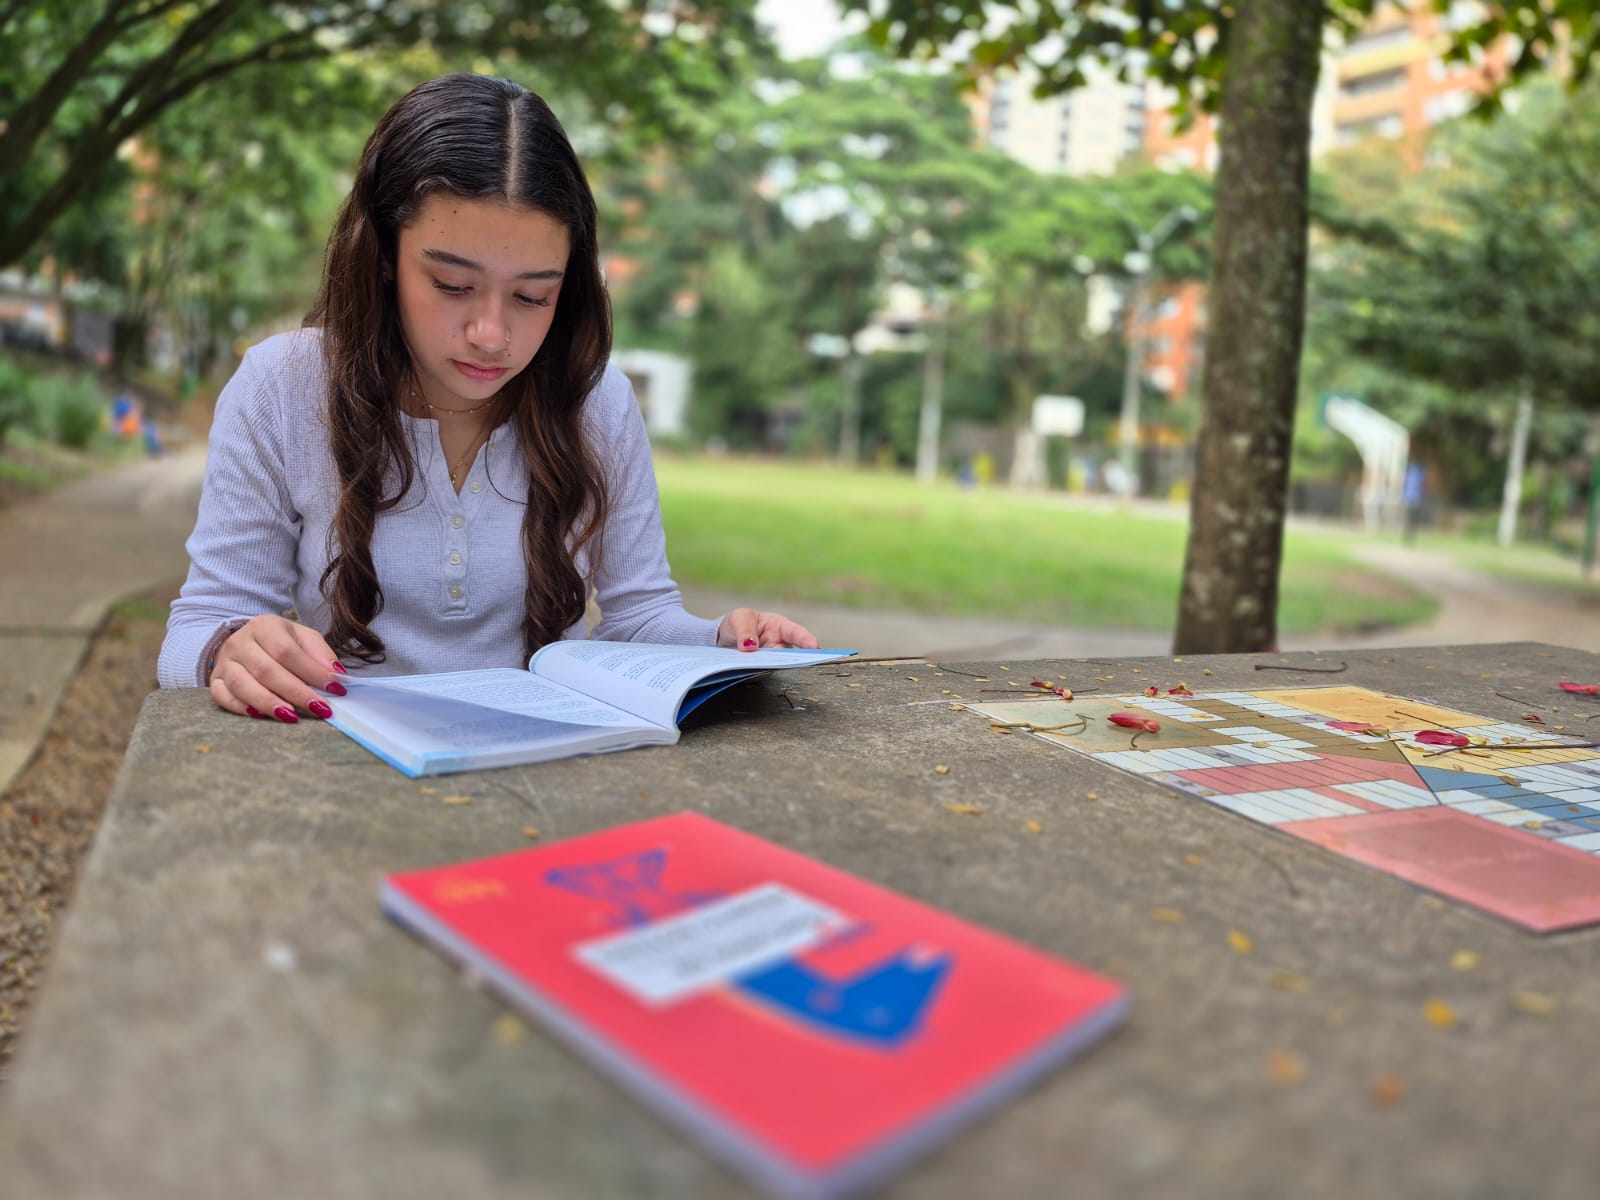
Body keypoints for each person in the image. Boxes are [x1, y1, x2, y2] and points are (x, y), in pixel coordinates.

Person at [158, 74, 816, 725]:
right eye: (451, 284)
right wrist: (229, 648)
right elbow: (200, 624)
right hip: (351, 767)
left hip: (554, 758)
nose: (492, 336)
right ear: (384, 255)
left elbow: (640, 615)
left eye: (533, 296)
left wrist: (723, 643)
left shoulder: (597, 400)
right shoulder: (283, 386)